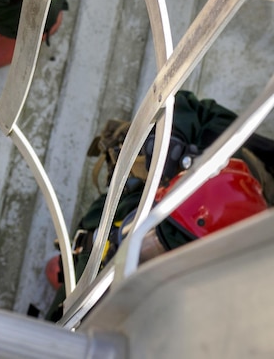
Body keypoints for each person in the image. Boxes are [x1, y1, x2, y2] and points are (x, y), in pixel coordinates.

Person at [42, 90, 273, 320]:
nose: (144, 247)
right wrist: (172, 139)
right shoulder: (225, 155)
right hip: (130, 210)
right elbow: (181, 104)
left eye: (154, 249)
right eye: (151, 240)